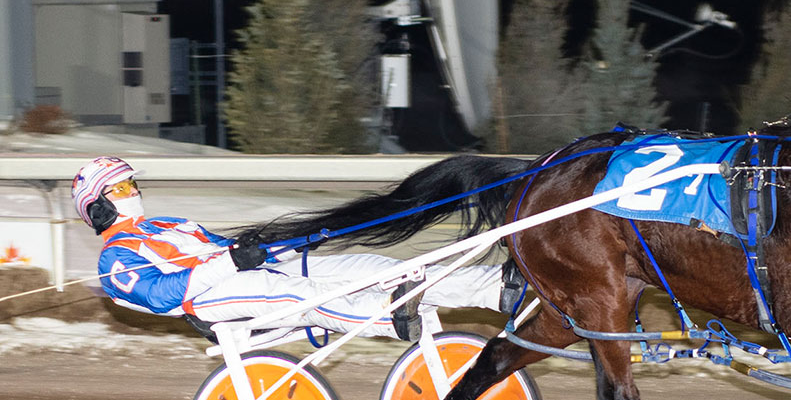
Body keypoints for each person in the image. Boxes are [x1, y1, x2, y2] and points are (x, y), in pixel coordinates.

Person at [72, 156, 511, 341]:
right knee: (297, 297)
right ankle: (388, 319)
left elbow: (226, 248)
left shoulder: (166, 225)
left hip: (241, 276)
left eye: (132, 182)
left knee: (372, 264)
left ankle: (494, 289)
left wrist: (286, 245)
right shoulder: (114, 259)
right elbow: (165, 294)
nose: (133, 189)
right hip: (211, 301)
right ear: (99, 205)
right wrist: (232, 260)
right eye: (122, 185)